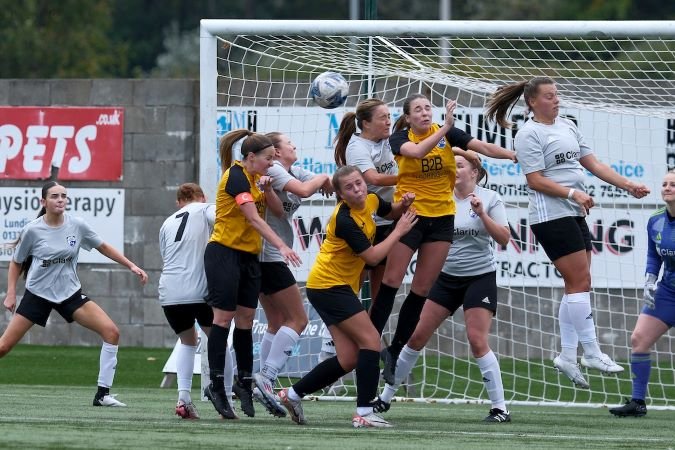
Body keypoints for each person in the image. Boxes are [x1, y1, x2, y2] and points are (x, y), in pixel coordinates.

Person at [485, 76, 650, 388]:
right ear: (532, 102)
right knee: (579, 282)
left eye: (557, 94)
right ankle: (590, 351)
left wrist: (628, 185)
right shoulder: (529, 133)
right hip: (551, 215)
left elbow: (593, 163)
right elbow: (534, 180)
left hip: (573, 212)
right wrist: (573, 194)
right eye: (549, 96)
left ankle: (567, 355)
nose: (556, 100)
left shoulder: (568, 125)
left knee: (578, 283)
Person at [374, 93, 516, 385]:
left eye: (428, 107)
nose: (425, 113)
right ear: (409, 117)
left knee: (421, 289)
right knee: (390, 281)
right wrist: (444, 128)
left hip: (441, 220)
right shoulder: (400, 138)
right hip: (411, 217)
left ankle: (394, 351)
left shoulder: (447, 132)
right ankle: (371, 340)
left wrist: (513, 155)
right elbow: (415, 153)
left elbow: (483, 147)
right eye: (418, 110)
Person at [374, 154, 512, 423]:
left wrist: (482, 213)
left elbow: (504, 238)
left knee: (476, 339)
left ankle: (500, 408)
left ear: (475, 172)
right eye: (452, 164)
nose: (454, 169)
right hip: (445, 278)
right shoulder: (440, 198)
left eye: (459, 165)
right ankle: (386, 397)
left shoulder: (490, 198)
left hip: (479, 277)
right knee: (415, 337)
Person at [277, 166, 417, 428]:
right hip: (329, 286)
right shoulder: (344, 220)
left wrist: (403, 204)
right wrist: (399, 232)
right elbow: (373, 258)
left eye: (359, 184)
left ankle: (292, 395)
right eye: (350, 188)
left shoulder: (372, 199)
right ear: (340, 194)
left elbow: (390, 210)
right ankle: (364, 412)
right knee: (371, 341)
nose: (358, 190)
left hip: (332, 287)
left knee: (349, 358)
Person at [1, 181, 148, 407]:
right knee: (3, 347)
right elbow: (16, 262)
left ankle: (102, 395)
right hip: (38, 294)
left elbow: (103, 247)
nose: (60, 200)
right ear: (43, 202)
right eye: (54, 196)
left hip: (69, 294)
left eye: (63, 196)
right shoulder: (32, 229)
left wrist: (131, 265)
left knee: (111, 332)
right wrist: (11, 293)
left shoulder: (77, 225)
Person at [203, 129, 302, 420]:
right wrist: (282, 245)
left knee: (246, 320)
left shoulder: (258, 180)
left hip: (248, 257)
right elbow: (253, 218)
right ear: (250, 157)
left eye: (274, 159)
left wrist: (268, 188)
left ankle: (244, 382)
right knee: (223, 318)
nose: (272, 164)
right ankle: (216, 385)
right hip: (224, 253)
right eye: (268, 159)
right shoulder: (236, 177)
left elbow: (278, 211)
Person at [253, 132, 333, 417]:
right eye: (289, 143)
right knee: (298, 319)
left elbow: (324, 183)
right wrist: (321, 181)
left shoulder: (293, 171)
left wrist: (326, 179)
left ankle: (261, 380)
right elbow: (304, 191)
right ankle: (267, 377)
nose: (295, 146)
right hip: (267, 254)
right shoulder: (272, 169)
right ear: (275, 151)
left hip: (268, 254)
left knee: (275, 321)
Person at [609, 171, 675, 417]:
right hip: (668, 291)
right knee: (639, 339)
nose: (667, 188)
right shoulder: (655, 220)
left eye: (673, 185)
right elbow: (653, 255)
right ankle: (637, 403)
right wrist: (650, 279)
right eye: (664, 183)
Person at [158, 183, 217, 419]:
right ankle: (227, 395)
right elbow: (220, 219)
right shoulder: (206, 209)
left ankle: (183, 398)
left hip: (169, 292)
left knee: (187, 341)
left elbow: (166, 256)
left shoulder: (167, 223)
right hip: (199, 290)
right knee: (219, 339)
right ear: (202, 197)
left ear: (178, 202)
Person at [334, 98, 398, 310]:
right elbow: (374, 179)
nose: (389, 121)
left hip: (387, 218)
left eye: (389, 116)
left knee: (380, 293)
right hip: (364, 222)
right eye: (383, 117)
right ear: (366, 123)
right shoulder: (357, 147)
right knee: (353, 286)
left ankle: (372, 338)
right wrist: (412, 177)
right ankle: (331, 339)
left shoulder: (389, 140)